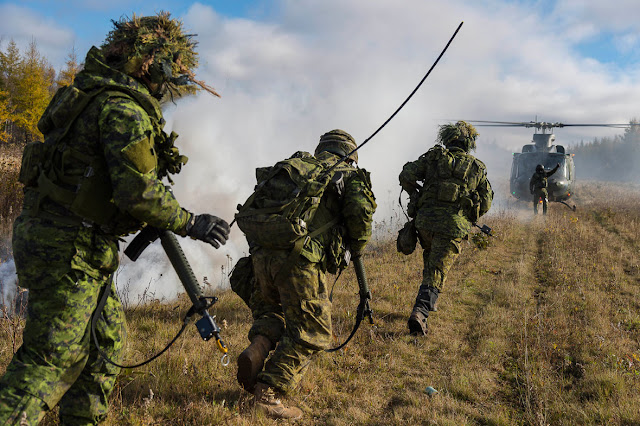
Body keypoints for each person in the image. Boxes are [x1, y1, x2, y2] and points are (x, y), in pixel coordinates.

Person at [0, 13, 230, 425]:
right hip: (68, 247)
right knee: (51, 359)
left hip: (77, 244)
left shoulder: (96, 97)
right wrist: (190, 222)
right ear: (151, 66)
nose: (168, 85)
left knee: (103, 348)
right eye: (169, 73)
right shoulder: (122, 109)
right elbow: (136, 192)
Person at [234, 129, 376, 420]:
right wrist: (357, 245)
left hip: (262, 256)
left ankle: (259, 347)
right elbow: (360, 216)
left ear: (323, 148)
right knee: (313, 331)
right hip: (299, 260)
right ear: (351, 155)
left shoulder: (298, 167)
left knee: (275, 311)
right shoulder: (349, 174)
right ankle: (268, 395)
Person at [398, 121, 493, 336]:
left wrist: (417, 194)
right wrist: (468, 214)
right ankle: (420, 313)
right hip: (452, 227)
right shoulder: (477, 167)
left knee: (431, 258)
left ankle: (429, 302)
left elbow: (406, 175)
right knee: (437, 271)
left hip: (424, 223)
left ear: (447, 139)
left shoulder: (433, 157)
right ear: (468, 144)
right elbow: (486, 202)